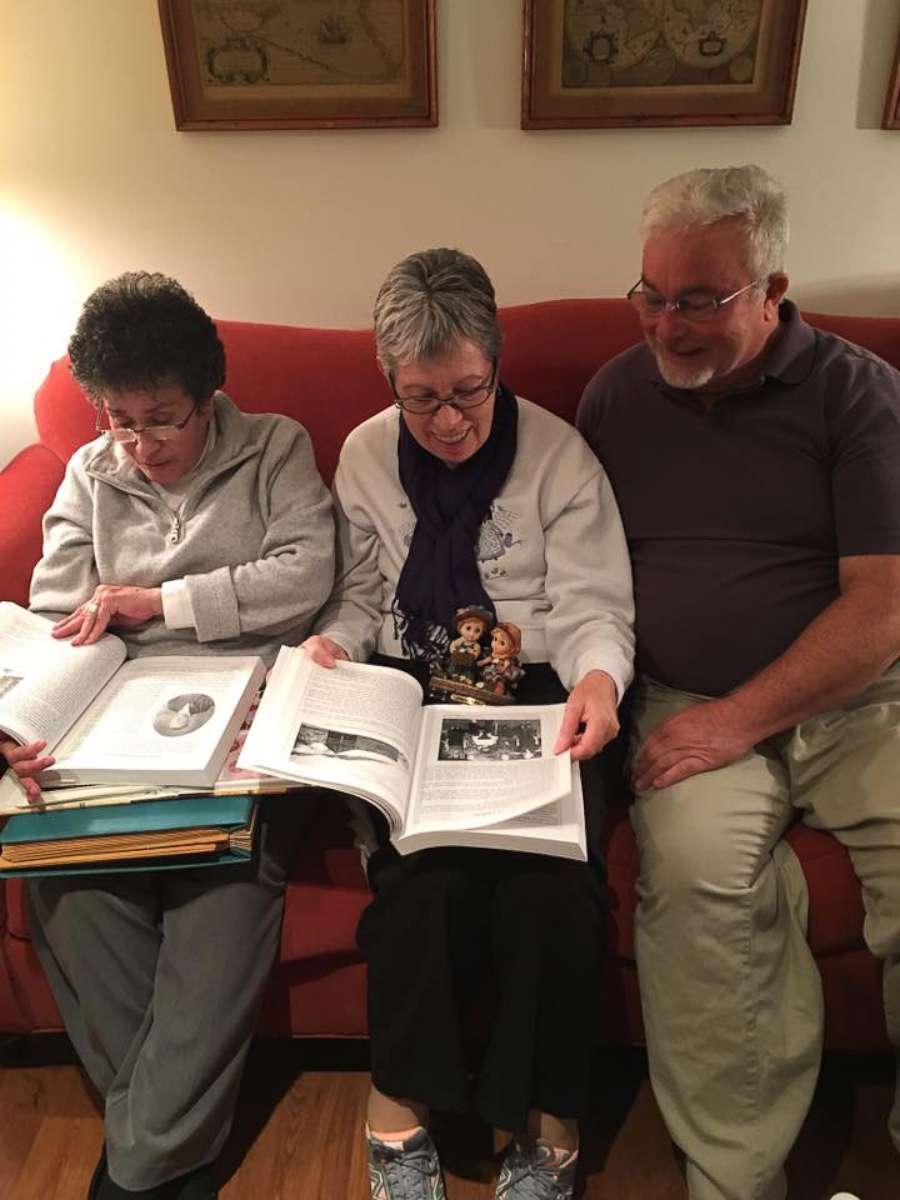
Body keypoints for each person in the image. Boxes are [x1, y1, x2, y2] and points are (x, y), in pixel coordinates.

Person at [577, 164, 900, 1200]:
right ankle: (736, 1183)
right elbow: (576, 570)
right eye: (651, 295)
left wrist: (740, 721)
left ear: (772, 289)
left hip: (859, 705)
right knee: (702, 891)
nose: (668, 327)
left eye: (701, 301)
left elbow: (883, 608)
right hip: (678, 698)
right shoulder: (615, 396)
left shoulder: (859, 393)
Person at [302, 247, 635, 1199]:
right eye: (421, 398)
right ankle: (401, 1104)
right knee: (419, 884)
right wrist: (333, 646)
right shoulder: (367, 454)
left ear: (498, 364)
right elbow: (361, 594)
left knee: (554, 893)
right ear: (389, 384)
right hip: (418, 688)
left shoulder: (560, 456)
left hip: (538, 689)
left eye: (468, 393)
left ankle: (549, 1117)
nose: (447, 421)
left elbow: (591, 606)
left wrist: (601, 682)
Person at [0, 272, 335, 1200]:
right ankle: (163, 1141)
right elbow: (56, 611)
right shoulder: (87, 474)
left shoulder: (274, 449)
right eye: (118, 420)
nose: (142, 445)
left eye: (164, 419)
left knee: (222, 892)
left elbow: (305, 575)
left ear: (209, 395)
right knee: (68, 888)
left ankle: (139, 1163)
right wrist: (22, 714)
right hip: (116, 720)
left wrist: (159, 602)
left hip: (241, 720)